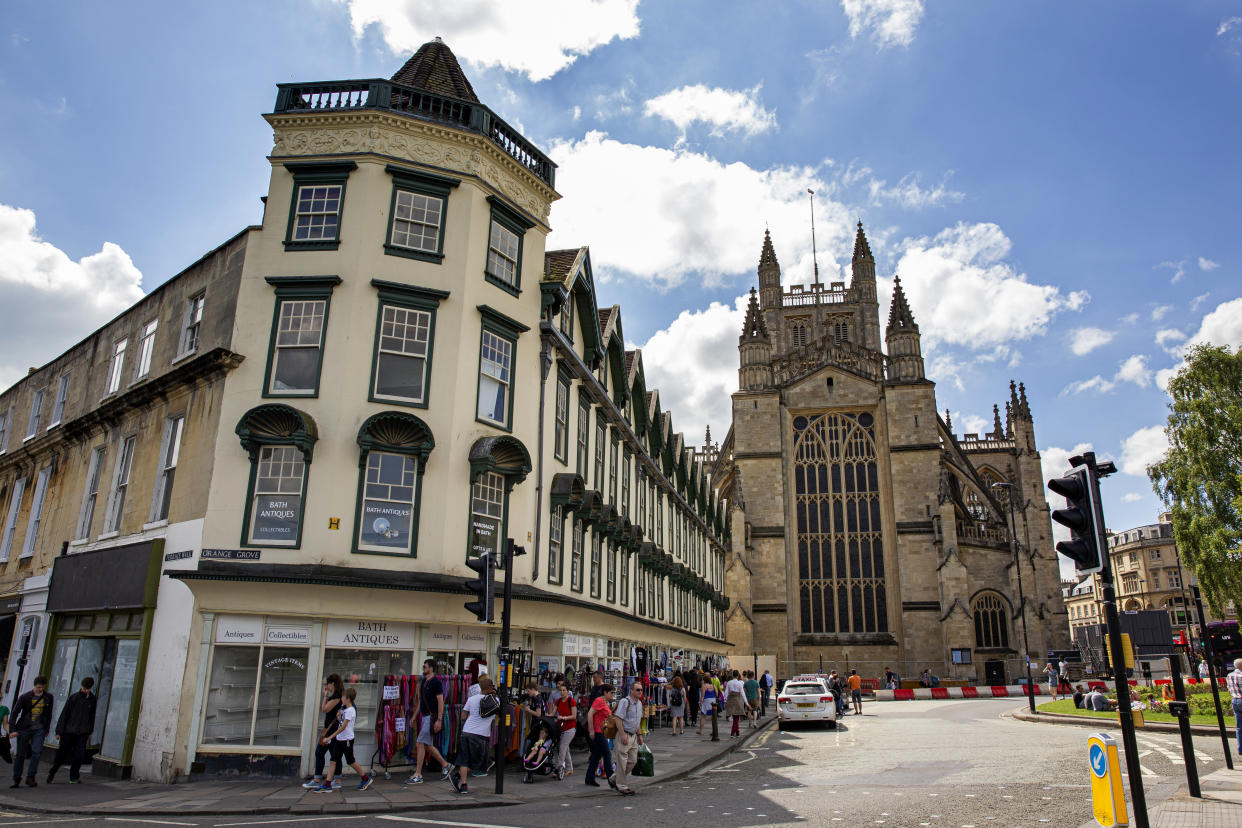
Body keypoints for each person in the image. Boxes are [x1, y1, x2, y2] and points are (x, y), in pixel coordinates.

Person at [314, 688, 373, 792]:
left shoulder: (350, 711)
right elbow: (341, 723)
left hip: (346, 740)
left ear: (348, 699)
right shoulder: (345, 710)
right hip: (340, 739)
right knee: (333, 760)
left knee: (351, 761)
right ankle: (327, 784)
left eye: (343, 697)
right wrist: (338, 717)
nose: (341, 699)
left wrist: (329, 737)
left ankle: (365, 778)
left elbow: (343, 727)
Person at [449, 676, 498, 795]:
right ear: (490, 688)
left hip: (467, 732)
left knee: (464, 759)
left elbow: (463, 717)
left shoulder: (472, 699)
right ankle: (458, 775)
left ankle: (464, 785)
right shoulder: (495, 701)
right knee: (478, 763)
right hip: (481, 735)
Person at [406, 659, 451, 784]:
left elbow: (440, 701)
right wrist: (414, 717)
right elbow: (421, 702)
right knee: (427, 745)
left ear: (431, 668)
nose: (423, 668)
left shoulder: (436, 682)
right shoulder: (424, 682)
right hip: (425, 716)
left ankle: (418, 774)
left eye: (424, 666)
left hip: (431, 717)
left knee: (420, 743)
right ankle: (445, 765)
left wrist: (439, 720)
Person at [46, 677, 97, 784]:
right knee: (62, 754)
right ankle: (53, 771)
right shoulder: (74, 698)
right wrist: (59, 731)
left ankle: (74, 776)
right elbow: (65, 714)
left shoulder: (92, 700)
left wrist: (90, 731)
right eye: (84, 688)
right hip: (69, 731)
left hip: (82, 732)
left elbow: (92, 716)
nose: (85, 690)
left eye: (87, 689)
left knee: (79, 755)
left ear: (90, 688)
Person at [9, 675, 53, 788]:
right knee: (20, 755)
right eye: (38, 687)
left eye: (42, 687)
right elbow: (15, 713)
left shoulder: (48, 697)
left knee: (37, 752)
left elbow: (48, 714)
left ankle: (31, 776)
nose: (40, 689)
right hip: (24, 728)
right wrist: (12, 729)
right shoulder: (25, 697)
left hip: (39, 729)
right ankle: (16, 778)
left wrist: (46, 728)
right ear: (34, 685)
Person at [303, 674, 344, 789]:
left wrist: (325, 696)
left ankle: (334, 779)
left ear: (333, 684)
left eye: (328, 684)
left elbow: (325, 709)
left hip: (332, 730)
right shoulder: (337, 696)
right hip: (331, 729)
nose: (327, 686)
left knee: (329, 754)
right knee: (324, 753)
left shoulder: (336, 697)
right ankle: (322, 778)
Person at [611, 680, 642, 795]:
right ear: (631, 690)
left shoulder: (639, 703)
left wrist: (639, 735)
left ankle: (614, 779)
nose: (640, 692)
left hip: (633, 736)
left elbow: (637, 721)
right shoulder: (625, 702)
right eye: (638, 690)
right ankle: (622, 786)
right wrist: (623, 734)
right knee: (622, 762)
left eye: (641, 690)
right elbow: (618, 719)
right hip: (624, 735)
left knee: (633, 761)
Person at [585, 683, 617, 789]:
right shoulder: (599, 700)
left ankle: (589, 778)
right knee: (607, 754)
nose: (613, 694)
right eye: (611, 692)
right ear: (605, 692)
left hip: (602, 731)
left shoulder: (606, 702)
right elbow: (590, 714)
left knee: (596, 756)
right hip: (598, 732)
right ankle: (611, 778)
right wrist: (591, 730)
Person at [552, 679, 577, 776]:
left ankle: (558, 769)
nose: (562, 692)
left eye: (564, 690)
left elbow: (574, 716)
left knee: (562, 748)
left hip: (570, 728)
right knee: (565, 749)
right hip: (560, 727)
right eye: (561, 690)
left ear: (568, 691)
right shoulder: (558, 701)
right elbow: (553, 713)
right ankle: (570, 768)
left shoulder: (572, 701)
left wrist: (563, 717)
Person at [724, 670, 747, 738]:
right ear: (737, 675)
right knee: (736, 718)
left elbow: (726, 692)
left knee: (735, 717)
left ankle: (737, 733)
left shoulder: (729, 682)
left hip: (731, 700)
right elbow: (743, 694)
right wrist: (747, 703)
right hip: (738, 701)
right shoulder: (740, 683)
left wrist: (725, 701)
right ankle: (732, 733)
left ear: (733, 675)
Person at [1226, 658, 1242, 757]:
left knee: (1239, 726)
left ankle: (1240, 748)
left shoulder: (1229, 675)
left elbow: (1229, 688)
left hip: (1235, 700)